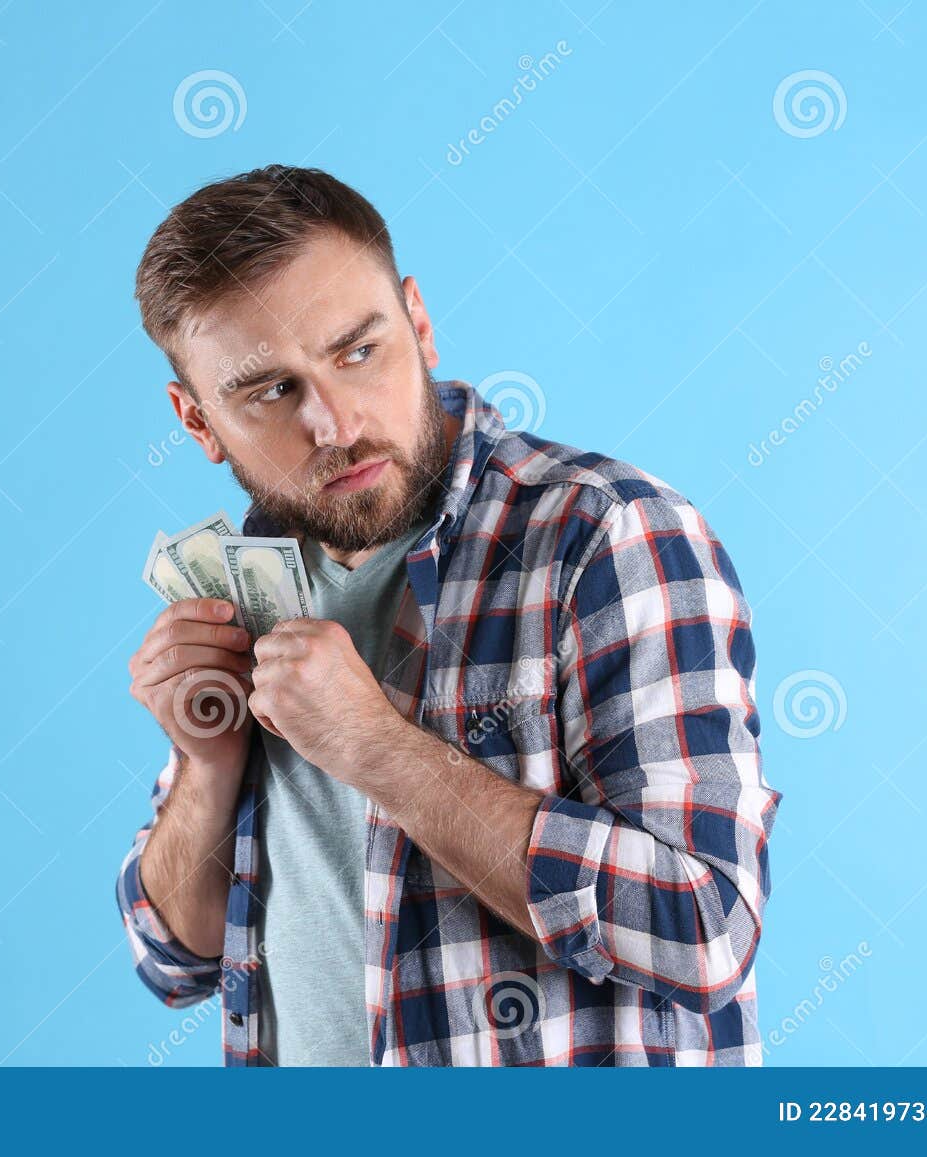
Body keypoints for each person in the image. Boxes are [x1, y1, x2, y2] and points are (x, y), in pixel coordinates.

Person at [118, 164, 782, 1065]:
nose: (334, 423)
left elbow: (704, 928)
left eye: (359, 350)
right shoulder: (246, 589)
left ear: (418, 321)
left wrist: (380, 750)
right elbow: (175, 959)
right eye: (270, 392)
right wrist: (207, 765)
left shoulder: (601, 535)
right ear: (198, 422)